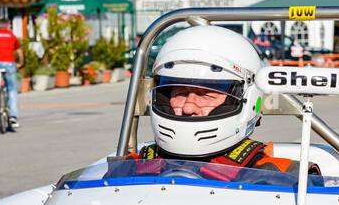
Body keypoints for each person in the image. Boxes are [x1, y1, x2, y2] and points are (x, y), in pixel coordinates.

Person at [109, 27, 316, 180]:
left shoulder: (283, 178)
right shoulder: (130, 169)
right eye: (179, 93)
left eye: (206, 95)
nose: (189, 107)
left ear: (249, 99)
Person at [0, 17, 23, 129]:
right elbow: (19, 51)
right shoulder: (12, 36)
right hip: (9, 64)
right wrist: (21, 63)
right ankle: (13, 117)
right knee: (12, 89)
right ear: (8, 26)